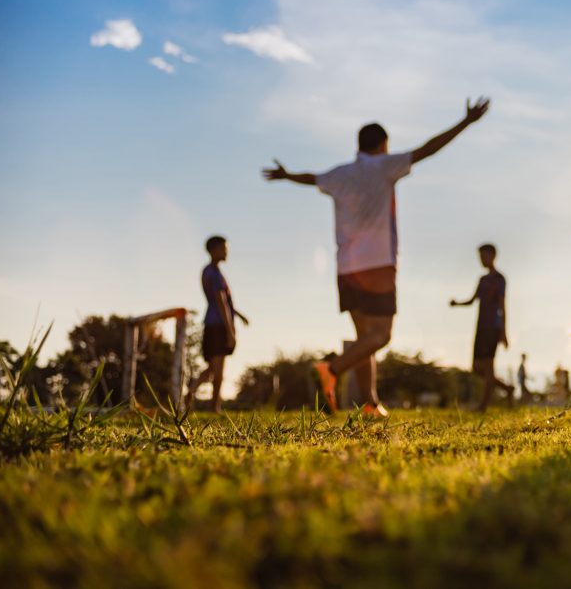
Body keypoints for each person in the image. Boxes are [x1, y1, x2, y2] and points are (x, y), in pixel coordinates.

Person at [263, 97, 491, 417]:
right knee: (381, 336)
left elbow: (312, 178)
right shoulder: (384, 166)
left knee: (364, 338)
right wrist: (465, 122)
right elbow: (428, 149)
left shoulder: (340, 174)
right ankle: (330, 369)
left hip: (346, 267)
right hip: (378, 264)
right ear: (383, 145)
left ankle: (369, 403)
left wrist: (287, 176)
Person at [186, 235, 249, 413]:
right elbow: (220, 302)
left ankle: (191, 391)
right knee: (218, 369)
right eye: (223, 248)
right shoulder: (213, 273)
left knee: (213, 368)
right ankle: (215, 406)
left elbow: (224, 302)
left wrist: (239, 315)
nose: (226, 251)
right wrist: (230, 331)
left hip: (212, 323)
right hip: (218, 325)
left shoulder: (210, 271)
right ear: (213, 250)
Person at [450, 243, 514, 411]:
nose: (481, 260)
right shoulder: (482, 280)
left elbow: (502, 306)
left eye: (483, 256)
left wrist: (504, 332)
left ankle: (483, 406)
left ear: (493, 256)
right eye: (480, 257)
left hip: (493, 327)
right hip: (480, 327)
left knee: (488, 366)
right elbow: (472, 301)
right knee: (477, 368)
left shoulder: (500, 279)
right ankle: (507, 389)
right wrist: (457, 304)